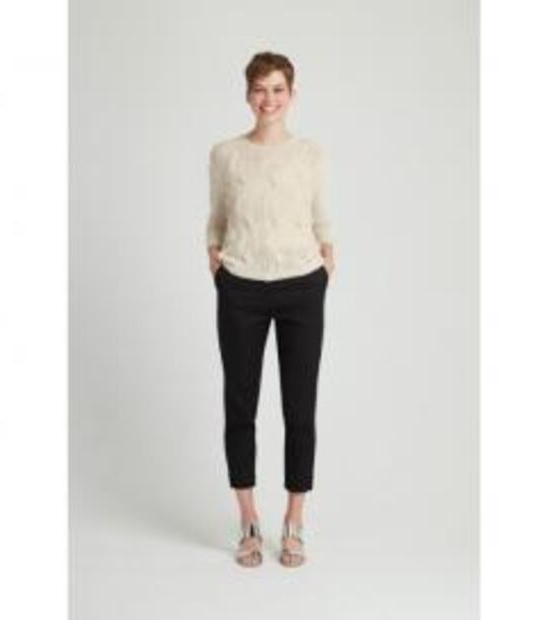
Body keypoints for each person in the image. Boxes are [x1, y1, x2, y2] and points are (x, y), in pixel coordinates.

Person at [206, 51, 335, 568]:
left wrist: (326, 260)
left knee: (299, 407)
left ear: (292, 94)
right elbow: (217, 215)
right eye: (260, 89)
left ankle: (294, 520)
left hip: (302, 284)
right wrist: (215, 258)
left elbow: (320, 216)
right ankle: (249, 520)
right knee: (240, 404)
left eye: (278, 89)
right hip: (241, 286)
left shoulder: (310, 154)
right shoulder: (225, 154)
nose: (269, 99)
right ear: (247, 95)